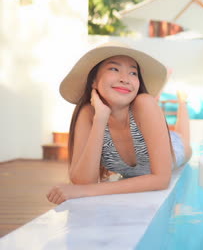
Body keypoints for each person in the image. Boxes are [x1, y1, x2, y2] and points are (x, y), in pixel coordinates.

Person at [47, 42, 192, 205]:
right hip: (125, 124)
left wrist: (86, 191)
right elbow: (83, 180)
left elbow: (161, 180)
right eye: (114, 69)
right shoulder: (89, 114)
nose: (125, 79)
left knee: (183, 140)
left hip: (174, 149)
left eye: (133, 72)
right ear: (93, 80)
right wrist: (100, 118)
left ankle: (182, 102)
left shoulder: (144, 103)